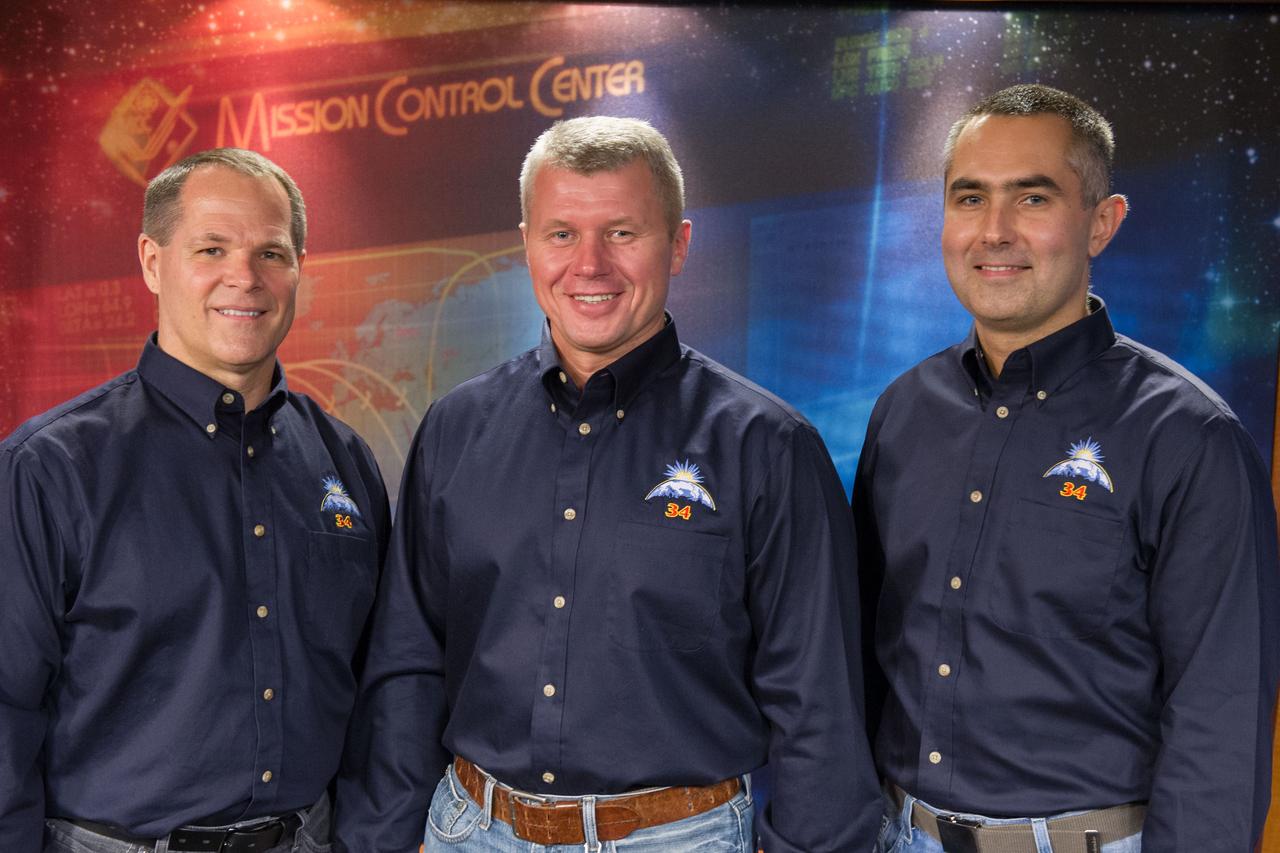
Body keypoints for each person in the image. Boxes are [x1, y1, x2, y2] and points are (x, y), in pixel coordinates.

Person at [334, 116, 882, 852]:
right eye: (561, 234)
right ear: (526, 242)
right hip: (471, 830)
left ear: (679, 244)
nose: (589, 264)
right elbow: (407, 665)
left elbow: (818, 706)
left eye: (622, 232)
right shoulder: (455, 428)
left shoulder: (767, 445)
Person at [853, 83, 1279, 852]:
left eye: (1034, 198)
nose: (994, 231)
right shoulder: (903, 412)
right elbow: (861, 661)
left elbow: (1221, 719)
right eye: (969, 198)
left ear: (1102, 223)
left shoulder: (1188, 437)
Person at [0, 148, 390, 853]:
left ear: (300, 266)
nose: (244, 276)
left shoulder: (346, 462)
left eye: (271, 252)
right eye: (212, 247)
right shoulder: (51, 467)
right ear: (153, 261)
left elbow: (379, 692)